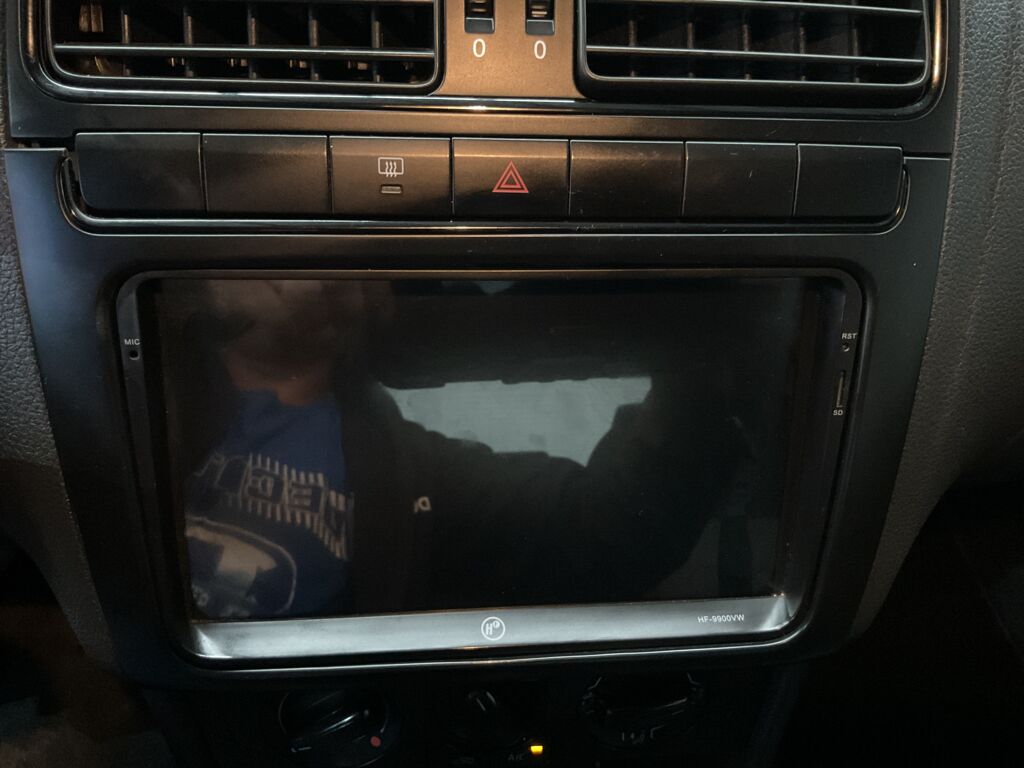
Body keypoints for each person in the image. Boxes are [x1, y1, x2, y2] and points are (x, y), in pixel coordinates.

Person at [177, 279, 753, 620]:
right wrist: (194, 286)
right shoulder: (153, 364)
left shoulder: (410, 474)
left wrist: (691, 366)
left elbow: (604, 532)